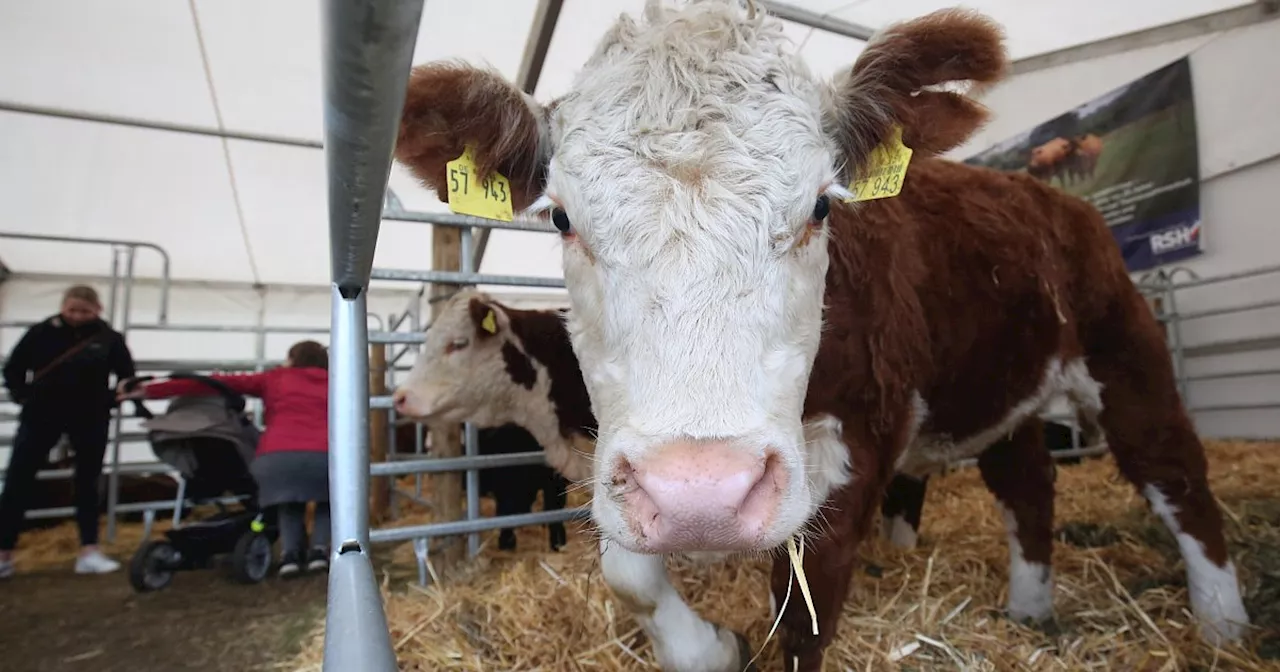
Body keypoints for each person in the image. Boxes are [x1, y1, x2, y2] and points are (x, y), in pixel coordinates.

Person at [119, 340, 331, 578]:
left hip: (276, 457)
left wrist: (150, 390)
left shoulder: (275, 378)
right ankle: (319, 553)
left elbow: (215, 383)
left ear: (292, 359)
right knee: (327, 502)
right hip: (323, 454)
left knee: (288, 504)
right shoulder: (336, 382)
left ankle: (290, 557)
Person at [0, 285, 137, 578]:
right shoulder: (40, 332)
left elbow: (127, 374)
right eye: (72, 310)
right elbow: (13, 368)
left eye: (84, 311)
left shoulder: (108, 338)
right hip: (41, 415)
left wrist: (113, 398)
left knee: (88, 482)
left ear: (97, 309)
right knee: (18, 480)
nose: (77, 316)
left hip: (90, 417)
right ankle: (4, 553)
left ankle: (89, 550)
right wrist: (23, 396)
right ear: (62, 307)